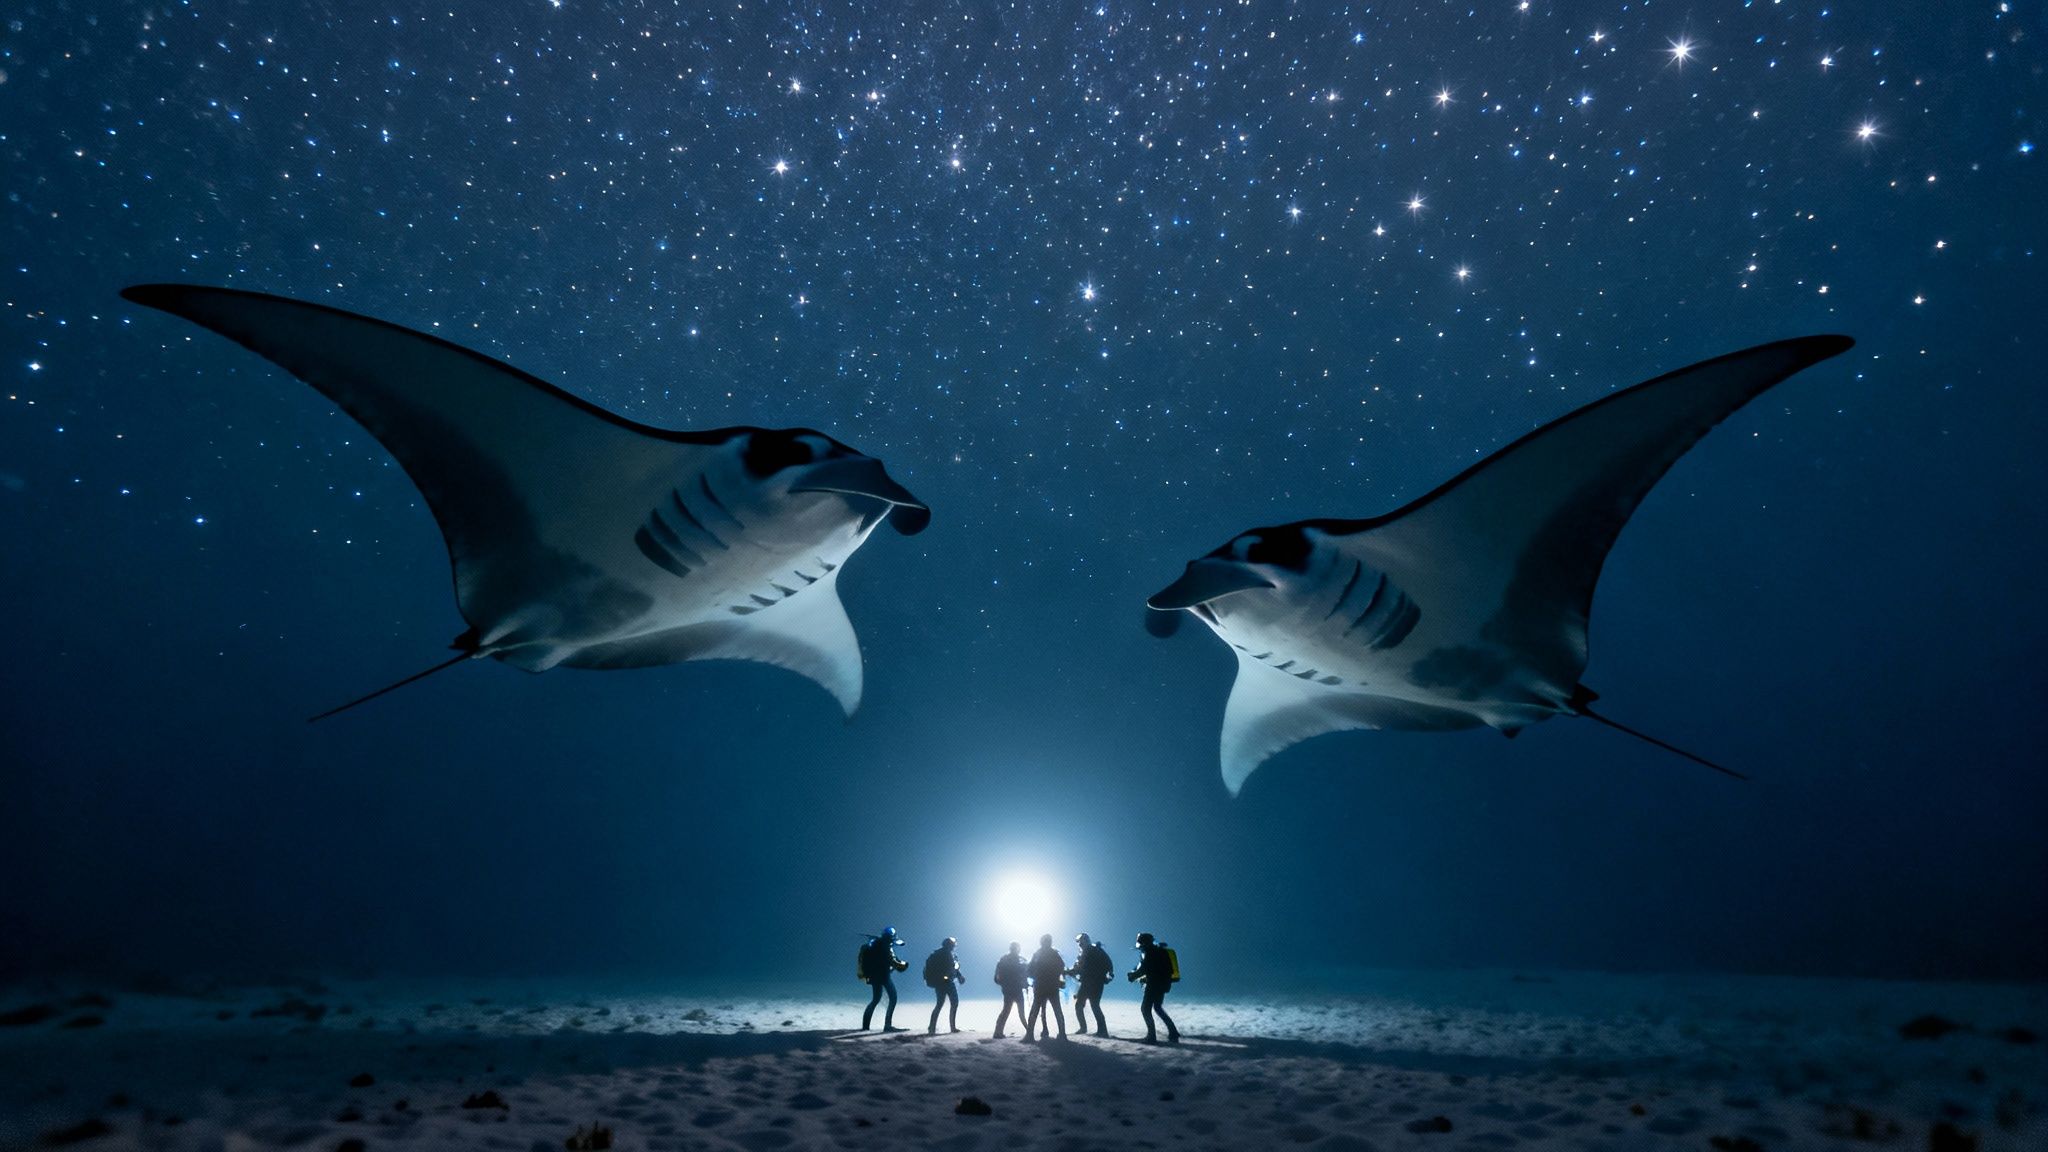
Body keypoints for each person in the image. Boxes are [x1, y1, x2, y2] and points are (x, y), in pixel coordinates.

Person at [1127, 931, 1180, 1044]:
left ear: (1144, 943)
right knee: (1157, 1008)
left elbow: (1145, 969)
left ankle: (1151, 1036)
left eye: (1141, 944)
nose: (1140, 948)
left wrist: (1133, 976)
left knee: (1145, 1009)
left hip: (1154, 985)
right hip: (1162, 985)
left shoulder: (1151, 953)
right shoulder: (1159, 952)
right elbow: (1158, 970)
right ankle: (1173, 1032)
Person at [859, 926, 909, 1032]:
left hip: (873, 976)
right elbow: (894, 962)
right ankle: (887, 1025)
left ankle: (865, 1026)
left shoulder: (875, 944)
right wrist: (904, 965)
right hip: (884, 976)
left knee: (875, 1000)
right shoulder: (886, 947)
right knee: (893, 998)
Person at [1067, 932, 1115, 1036]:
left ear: (1084, 941)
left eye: (1080, 942)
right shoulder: (1097, 950)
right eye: (1079, 943)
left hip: (1090, 983)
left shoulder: (1088, 951)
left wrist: (1069, 972)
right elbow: (1109, 963)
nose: (1079, 945)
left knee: (1081, 1005)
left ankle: (1087, 1028)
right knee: (1093, 1006)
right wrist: (1109, 975)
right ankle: (1101, 1030)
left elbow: (1080, 968)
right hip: (1096, 982)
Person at [1023, 933, 1068, 1042]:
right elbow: (1062, 967)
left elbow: (1029, 970)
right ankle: (1062, 1034)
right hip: (1052, 986)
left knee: (1036, 1009)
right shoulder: (1054, 954)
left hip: (1040, 986)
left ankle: (1030, 1035)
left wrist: (1036, 976)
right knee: (1057, 1010)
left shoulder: (1038, 954)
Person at [923, 936, 963, 1035]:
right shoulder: (946, 954)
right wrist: (959, 976)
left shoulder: (939, 953)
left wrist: (958, 975)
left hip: (940, 982)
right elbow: (953, 967)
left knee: (939, 1004)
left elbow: (953, 968)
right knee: (954, 1003)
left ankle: (932, 1028)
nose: (954, 947)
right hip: (946, 982)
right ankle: (952, 1027)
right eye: (953, 945)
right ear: (950, 945)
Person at [992, 941, 1030, 1038]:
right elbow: (1026, 974)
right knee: (1017, 1012)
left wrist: (1003, 984)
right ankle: (1029, 1030)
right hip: (1014, 989)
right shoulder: (1019, 960)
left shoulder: (1005, 959)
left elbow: (997, 978)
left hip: (1010, 989)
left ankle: (998, 1031)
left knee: (1007, 1010)